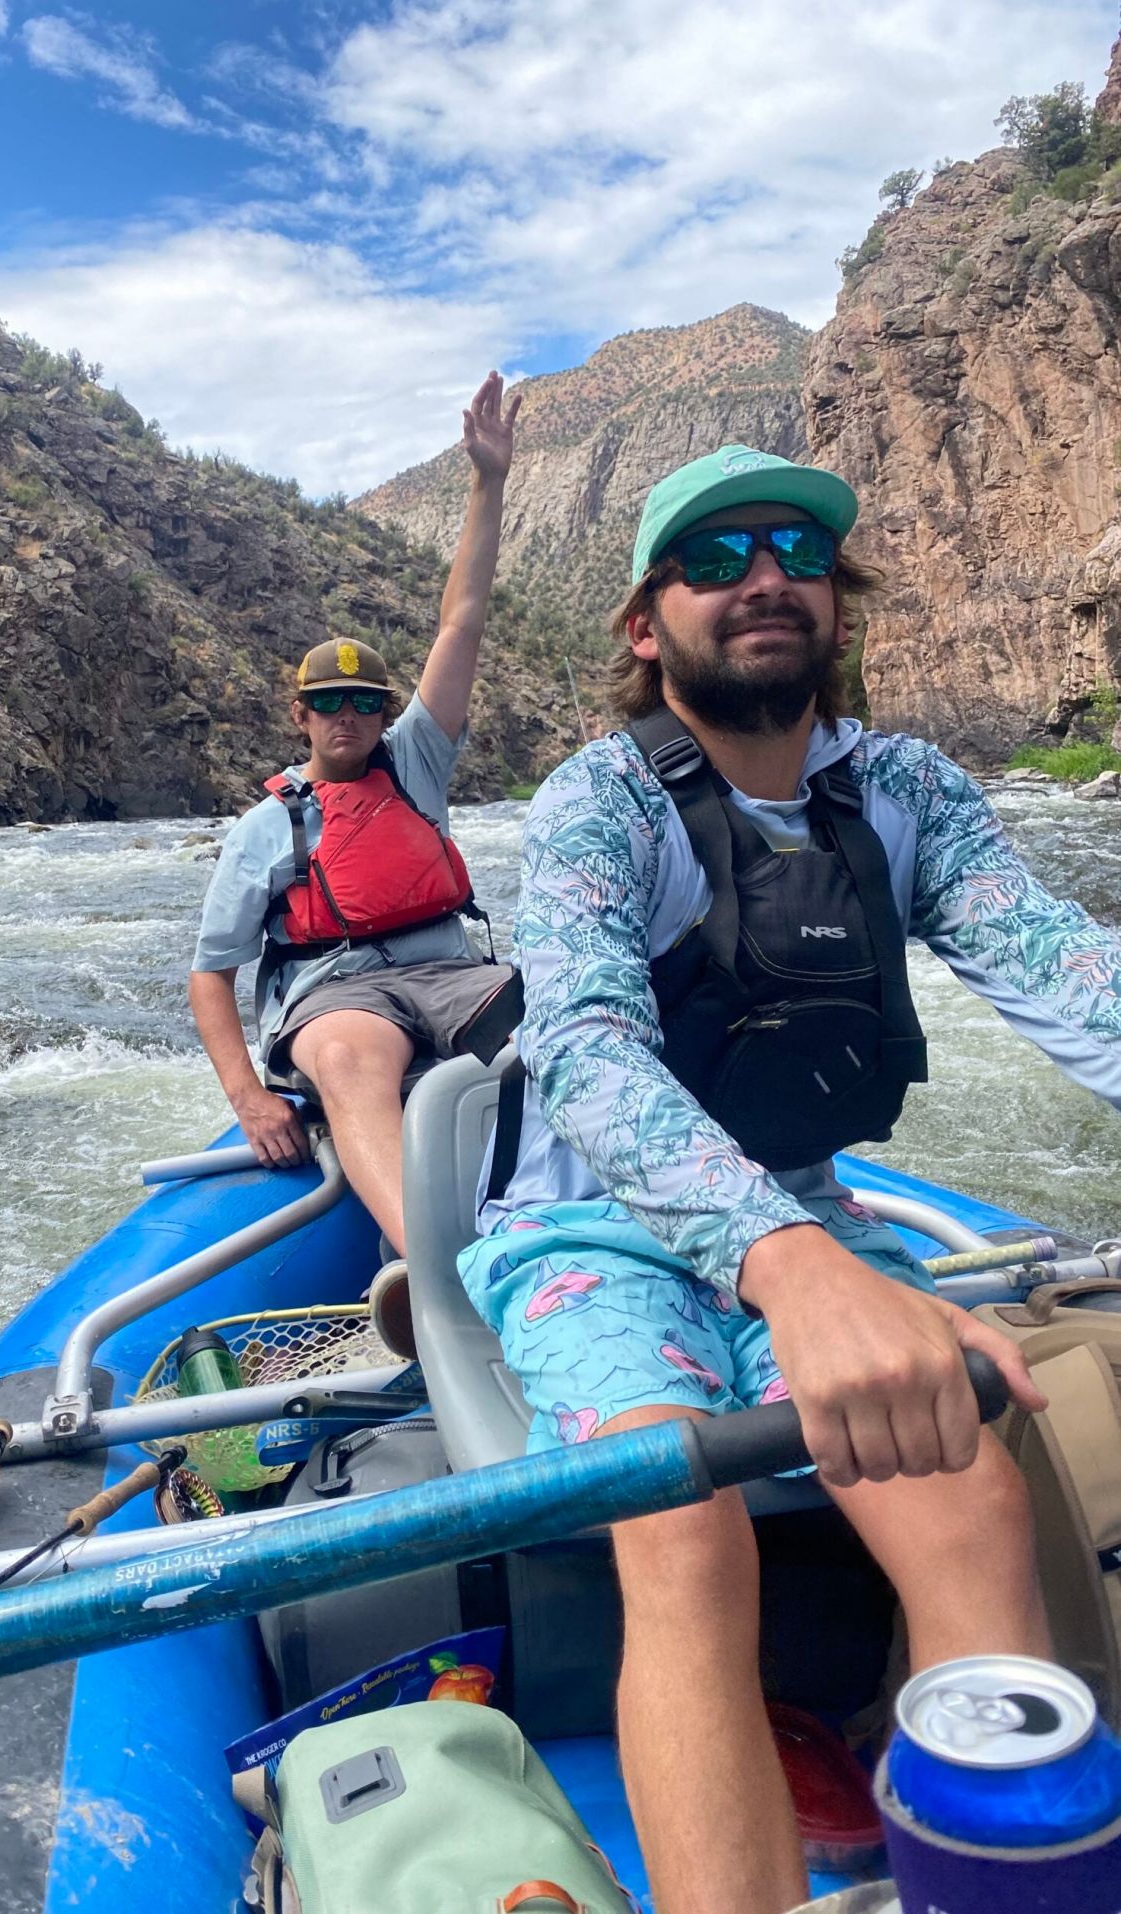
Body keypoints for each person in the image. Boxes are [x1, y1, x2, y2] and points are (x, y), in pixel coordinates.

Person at [457, 443, 1121, 1914]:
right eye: (714, 557)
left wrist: (800, 1239)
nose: (765, 577)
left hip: (802, 1202)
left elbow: (1060, 961)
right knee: (680, 1529)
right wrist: (790, 1263)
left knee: (969, 1501)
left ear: (836, 597)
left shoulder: (905, 792)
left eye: (797, 551)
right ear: (647, 624)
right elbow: (585, 1051)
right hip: (586, 1225)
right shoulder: (597, 806)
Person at [189, 371, 521, 1264]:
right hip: (336, 993)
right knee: (345, 1056)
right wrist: (249, 1098)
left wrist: (487, 480)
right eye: (326, 702)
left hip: (450, 970)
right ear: (299, 714)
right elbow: (211, 976)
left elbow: (462, 622)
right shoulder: (264, 828)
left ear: (383, 713)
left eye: (363, 702)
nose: (347, 716)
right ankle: (436, 1269)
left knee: (562, 1020)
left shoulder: (416, 760)